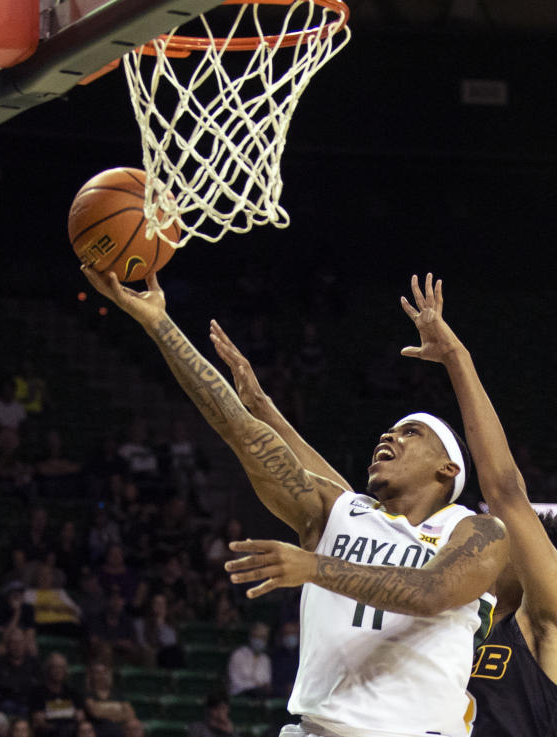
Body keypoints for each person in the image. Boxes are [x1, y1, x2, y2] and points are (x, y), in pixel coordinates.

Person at [81, 267, 510, 737]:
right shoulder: (342, 511)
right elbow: (242, 434)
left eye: (411, 432)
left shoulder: (475, 530)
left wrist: (312, 568)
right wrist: (159, 325)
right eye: (389, 431)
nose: (389, 437)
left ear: (448, 469)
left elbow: (433, 593)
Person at [221, 274, 557, 737]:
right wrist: (265, 410)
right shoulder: (464, 614)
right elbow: (345, 510)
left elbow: (505, 492)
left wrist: (457, 358)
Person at [29, 652, 85, 737]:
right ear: (48, 669)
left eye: (61, 667)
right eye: (54, 667)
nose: (58, 671)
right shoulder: (38, 692)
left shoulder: (73, 692)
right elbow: (38, 720)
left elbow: (80, 716)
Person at [82, 661, 135, 737]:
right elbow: (95, 713)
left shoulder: (117, 694)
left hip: (119, 731)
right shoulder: (88, 694)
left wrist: (102, 710)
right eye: (97, 672)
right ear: (92, 676)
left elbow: (130, 714)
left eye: (104, 672)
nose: (101, 675)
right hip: (98, 731)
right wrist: (117, 711)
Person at [227, 622, 272, 697]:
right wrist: (254, 685)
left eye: (263, 638)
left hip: (259, 697)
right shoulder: (238, 655)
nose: (259, 640)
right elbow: (235, 682)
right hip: (239, 696)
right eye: (257, 637)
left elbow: (266, 682)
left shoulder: (266, 660)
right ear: (251, 637)